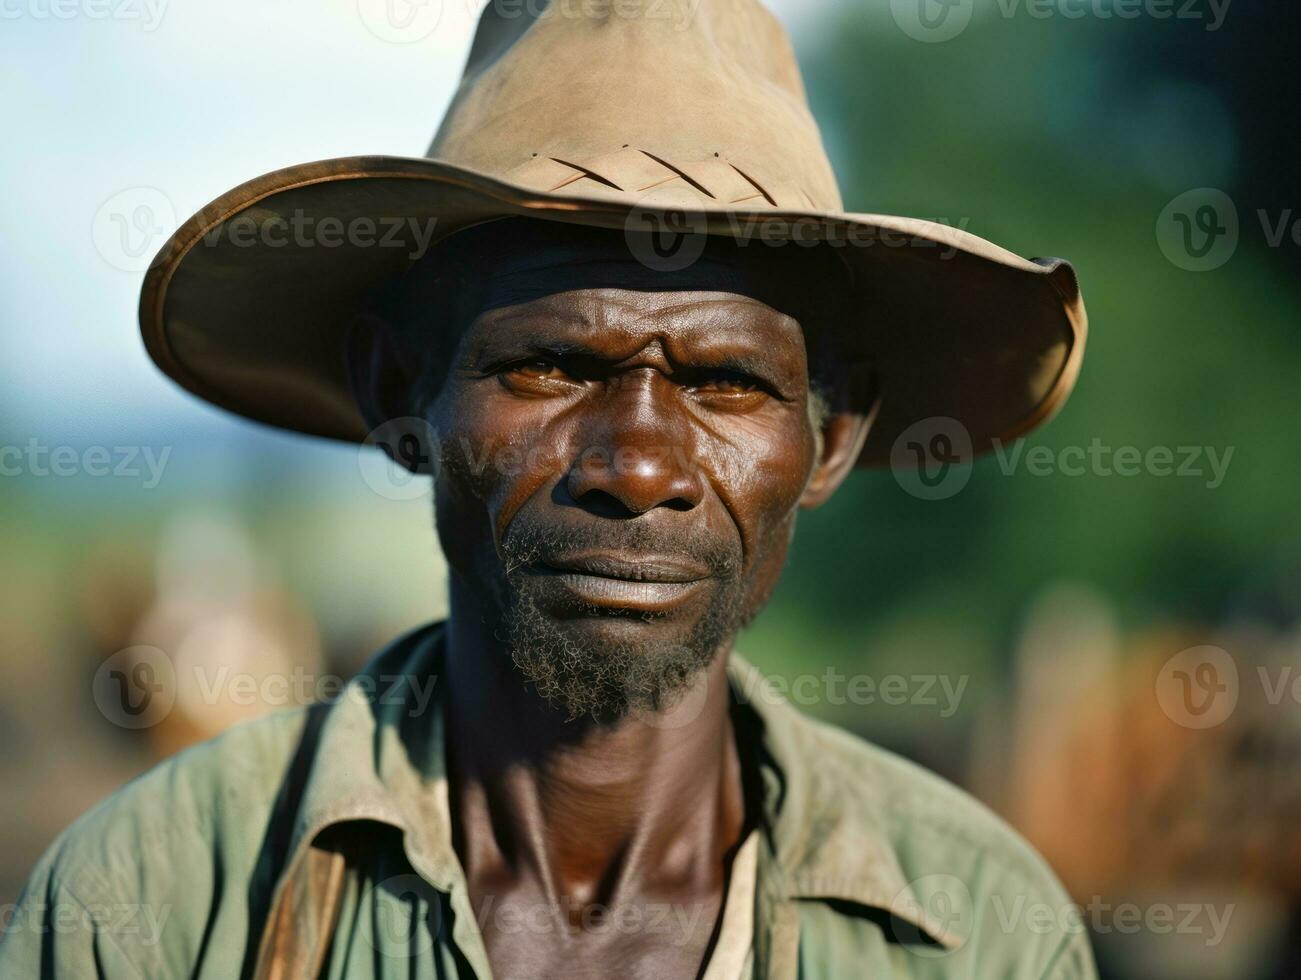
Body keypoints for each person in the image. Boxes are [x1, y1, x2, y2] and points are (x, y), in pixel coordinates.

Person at [1, 1, 1093, 976]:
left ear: (831, 435)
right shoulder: (157, 901)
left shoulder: (979, 931)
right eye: (551, 367)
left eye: (725, 381)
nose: (640, 466)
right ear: (400, 394)